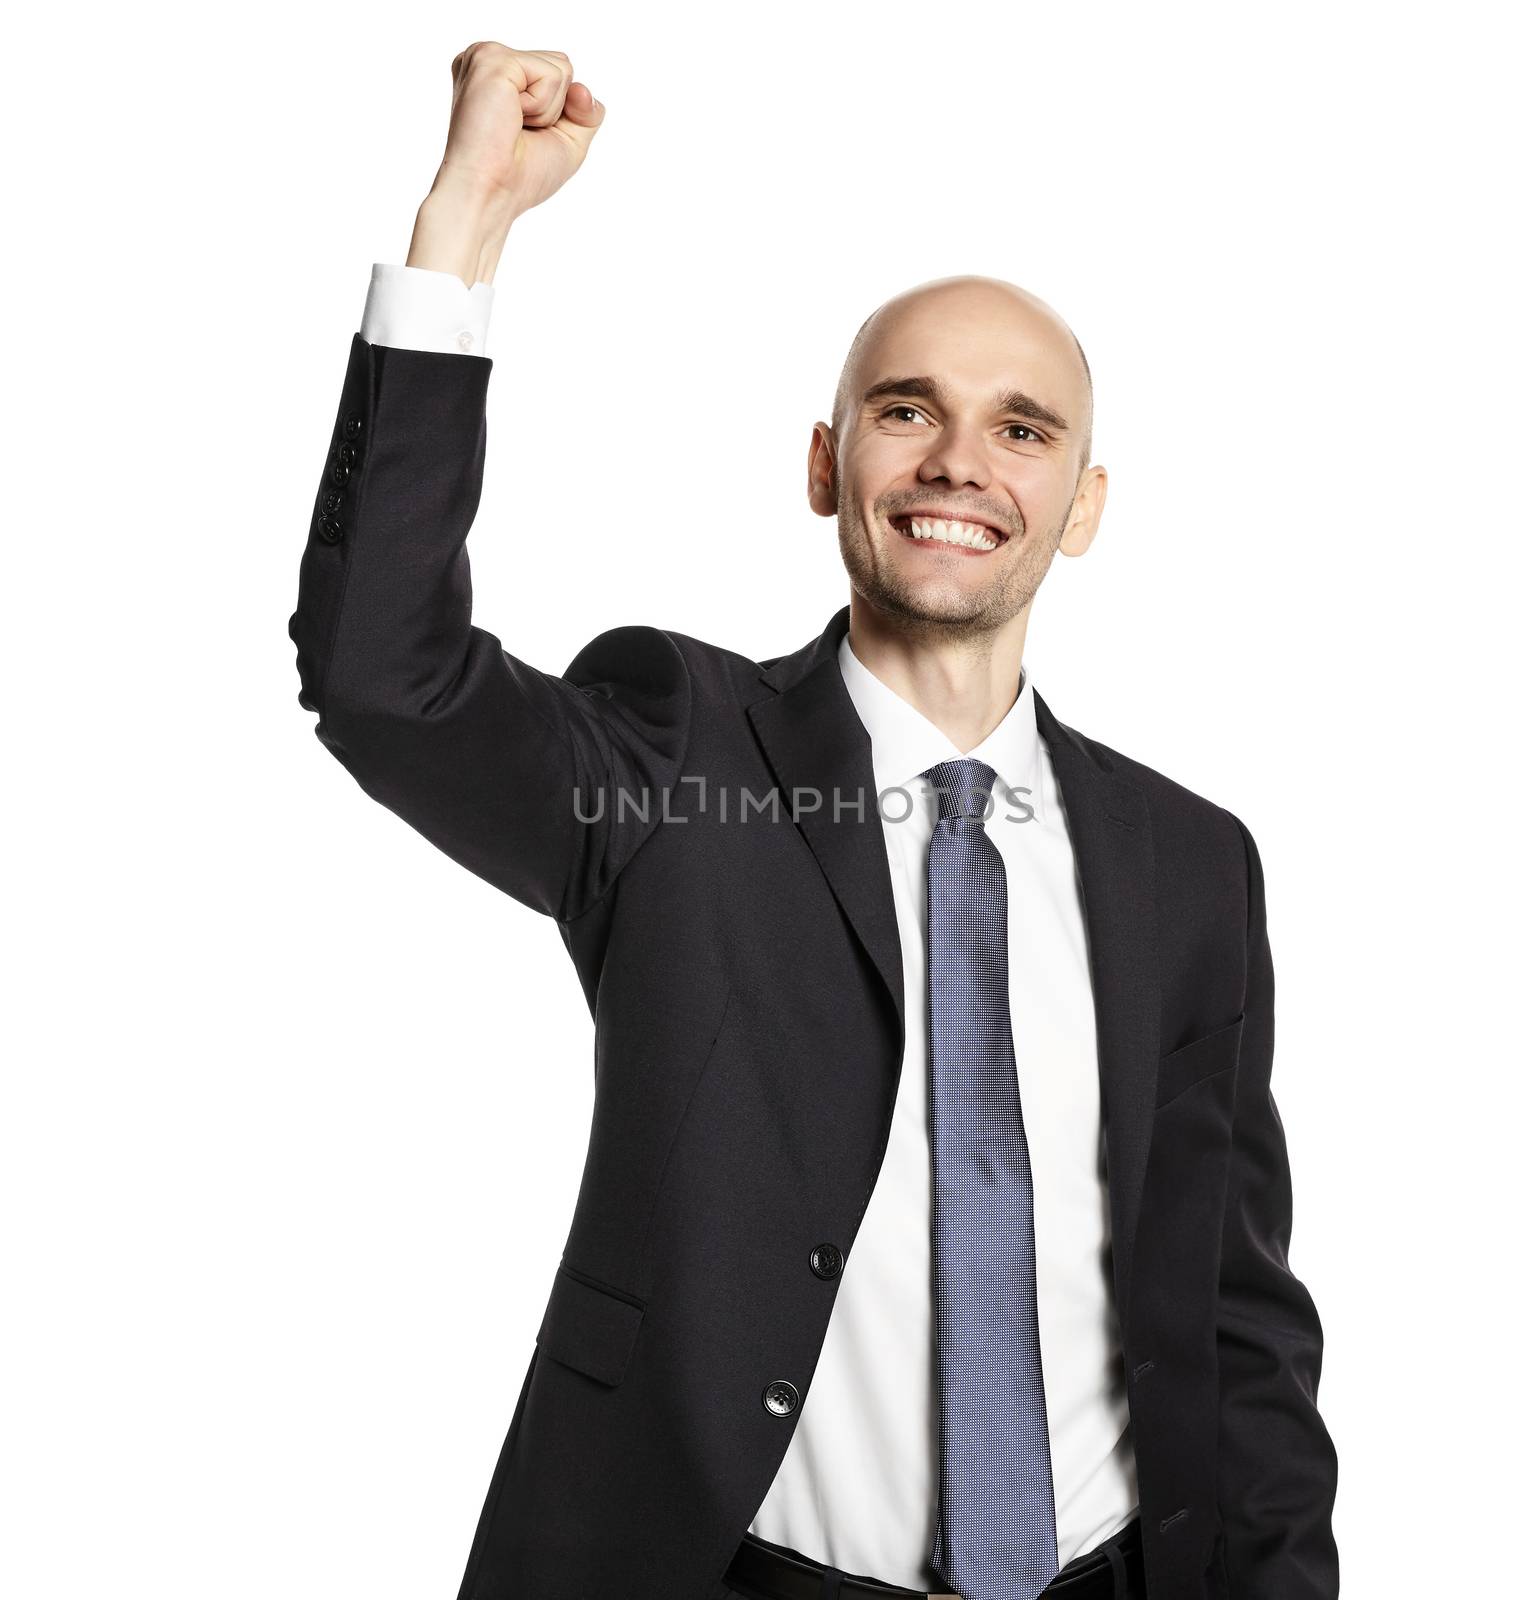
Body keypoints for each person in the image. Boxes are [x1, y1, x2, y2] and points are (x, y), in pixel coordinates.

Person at [289, 40, 1339, 1600]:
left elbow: (1233, 1313)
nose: (959, 464)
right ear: (825, 464)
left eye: (1022, 429)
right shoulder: (678, 754)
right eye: (906, 412)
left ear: (1085, 503)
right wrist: (466, 233)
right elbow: (386, 682)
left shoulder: (1191, 862)